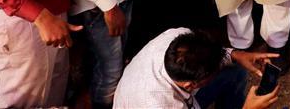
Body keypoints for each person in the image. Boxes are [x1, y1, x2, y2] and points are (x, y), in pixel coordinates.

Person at [114, 28, 280, 109]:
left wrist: (236, 55)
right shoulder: (159, 104)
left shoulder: (178, 37)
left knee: (234, 70)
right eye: (212, 74)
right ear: (191, 85)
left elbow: (215, 55)